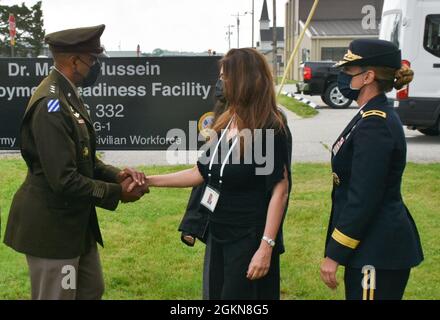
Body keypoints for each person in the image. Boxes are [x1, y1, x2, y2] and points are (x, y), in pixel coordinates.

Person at [3, 25, 147, 300]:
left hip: (74, 226)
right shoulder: (51, 104)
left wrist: (118, 176)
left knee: (91, 289)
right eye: (92, 60)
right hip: (53, 229)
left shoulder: (67, 94)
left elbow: (85, 160)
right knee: (59, 295)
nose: (95, 66)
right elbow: (64, 179)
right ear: (73, 61)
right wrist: (119, 193)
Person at [142, 48, 292, 299]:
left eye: (226, 77)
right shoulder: (227, 121)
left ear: (244, 80)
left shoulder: (270, 127)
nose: (220, 83)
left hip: (248, 239)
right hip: (218, 234)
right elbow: (200, 172)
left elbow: (280, 190)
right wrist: (149, 181)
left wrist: (266, 247)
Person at [320, 39, 424, 300]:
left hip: (377, 250)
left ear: (368, 76)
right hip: (369, 247)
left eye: (348, 72)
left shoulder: (375, 125)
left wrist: (335, 253)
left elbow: (364, 198)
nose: (343, 78)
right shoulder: (369, 115)